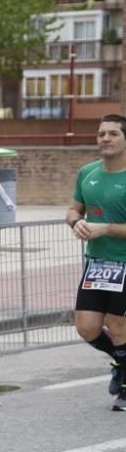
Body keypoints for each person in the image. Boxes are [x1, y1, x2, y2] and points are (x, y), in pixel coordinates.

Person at [67, 113, 126, 412]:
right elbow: (73, 208)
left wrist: (105, 229)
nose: (105, 138)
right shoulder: (87, 173)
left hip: (125, 263)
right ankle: (120, 360)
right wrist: (76, 222)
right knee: (86, 327)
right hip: (97, 263)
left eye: (113, 133)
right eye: (102, 133)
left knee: (118, 326)